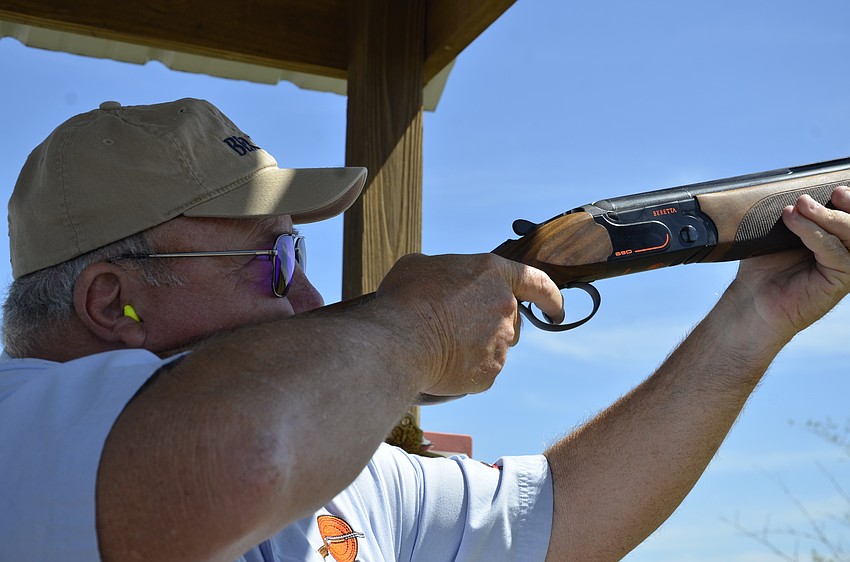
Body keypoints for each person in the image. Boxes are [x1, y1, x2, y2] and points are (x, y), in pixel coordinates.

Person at [0, 98, 848, 562]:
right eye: (272, 264)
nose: (307, 297)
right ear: (113, 303)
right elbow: (236, 462)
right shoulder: (16, 427)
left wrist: (752, 323)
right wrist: (415, 328)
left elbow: (562, 519)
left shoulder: (344, 474)